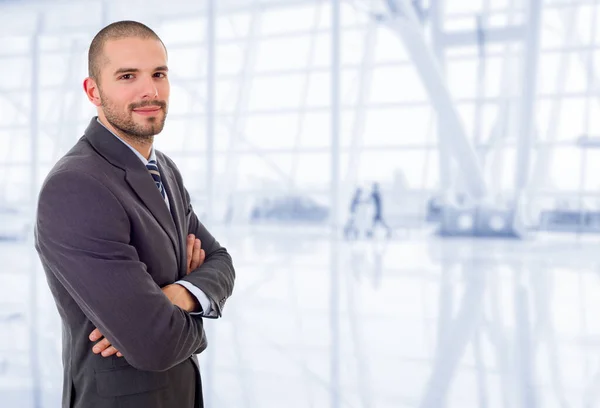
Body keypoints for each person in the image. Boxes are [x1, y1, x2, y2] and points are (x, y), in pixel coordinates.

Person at [34, 20, 235, 408]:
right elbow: (154, 343)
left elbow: (221, 261)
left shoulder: (166, 170)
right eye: (128, 76)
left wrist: (175, 297)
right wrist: (190, 310)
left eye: (159, 74)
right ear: (94, 91)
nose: (150, 90)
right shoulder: (77, 185)